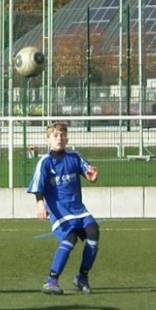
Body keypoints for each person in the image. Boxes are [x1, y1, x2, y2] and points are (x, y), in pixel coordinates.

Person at [28, 122, 100, 295]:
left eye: (62, 135)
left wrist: (93, 177)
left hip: (79, 209)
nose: (59, 138)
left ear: (66, 138)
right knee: (71, 239)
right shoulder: (45, 162)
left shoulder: (74, 157)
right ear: (48, 140)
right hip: (60, 212)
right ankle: (51, 280)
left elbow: (89, 172)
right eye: (55, 136)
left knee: (94, 232)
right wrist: (41, 205)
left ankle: (82, 277)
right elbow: (38, 187)